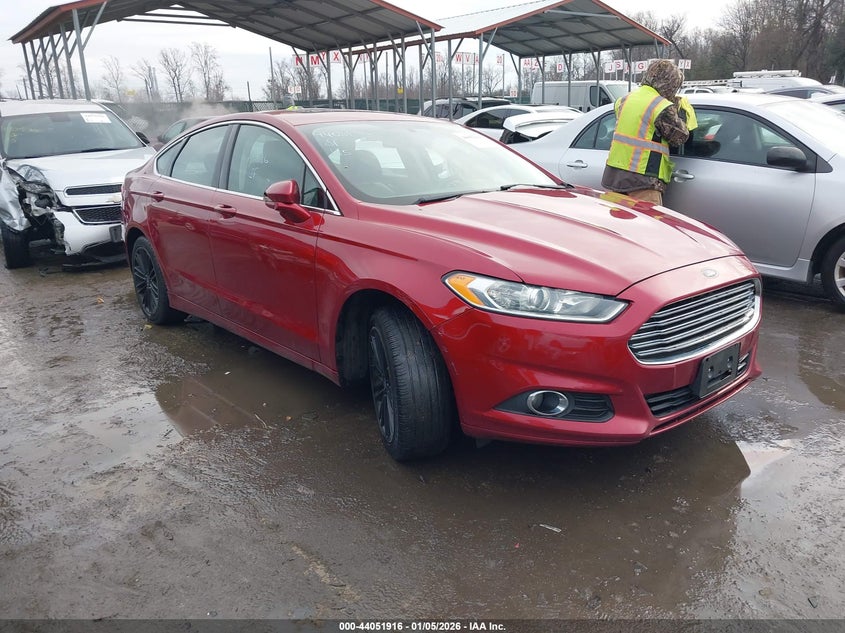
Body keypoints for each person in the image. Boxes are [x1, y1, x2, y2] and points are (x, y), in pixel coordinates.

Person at [602, 59, 696, 206]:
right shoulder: (662, 106)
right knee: (648, 220)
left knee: (618, 219)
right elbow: (681, 138)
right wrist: (683, 112)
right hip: (643, 179)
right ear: (669, 83)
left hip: (616, 176)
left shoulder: (624, 100)